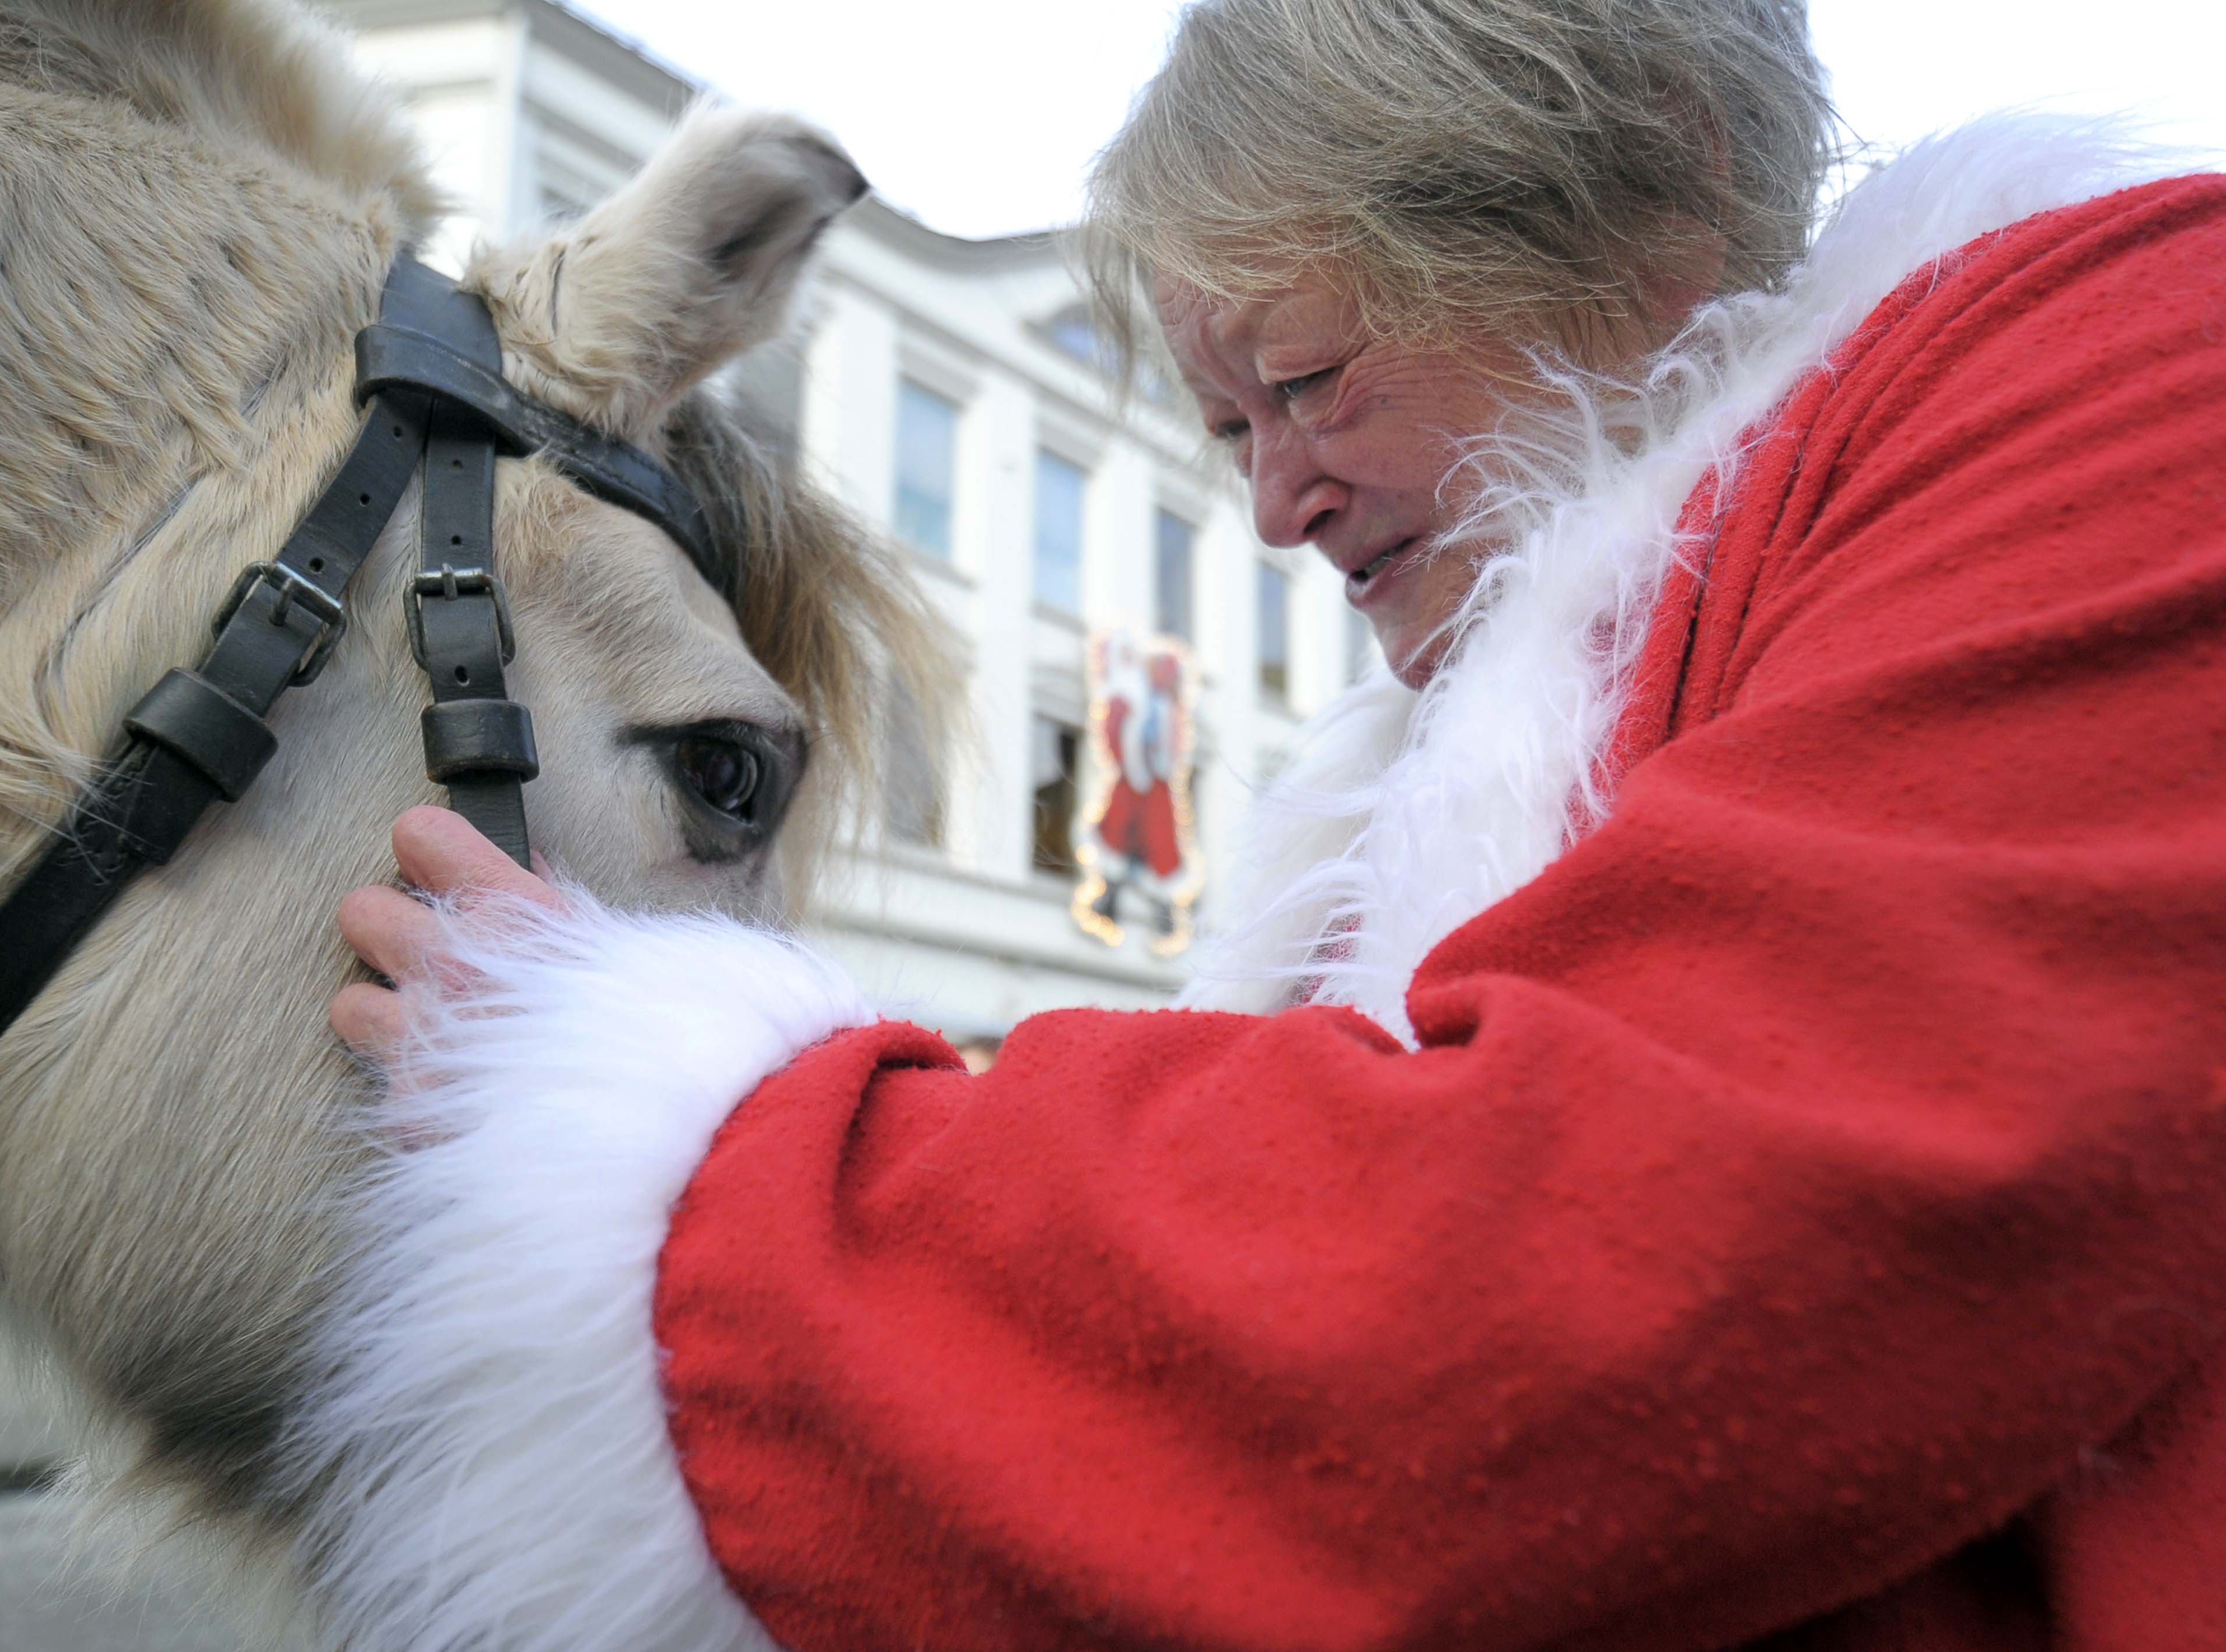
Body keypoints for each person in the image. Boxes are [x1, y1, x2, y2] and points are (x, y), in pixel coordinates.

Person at [320, 1, 2226, 1646]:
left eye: (1308, 385)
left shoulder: (2140, 364)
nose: (1276, 512)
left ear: (1650, 185)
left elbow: (1630, 1265)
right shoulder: (1467, 742)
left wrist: (674, 1152)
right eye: (1231, 433)